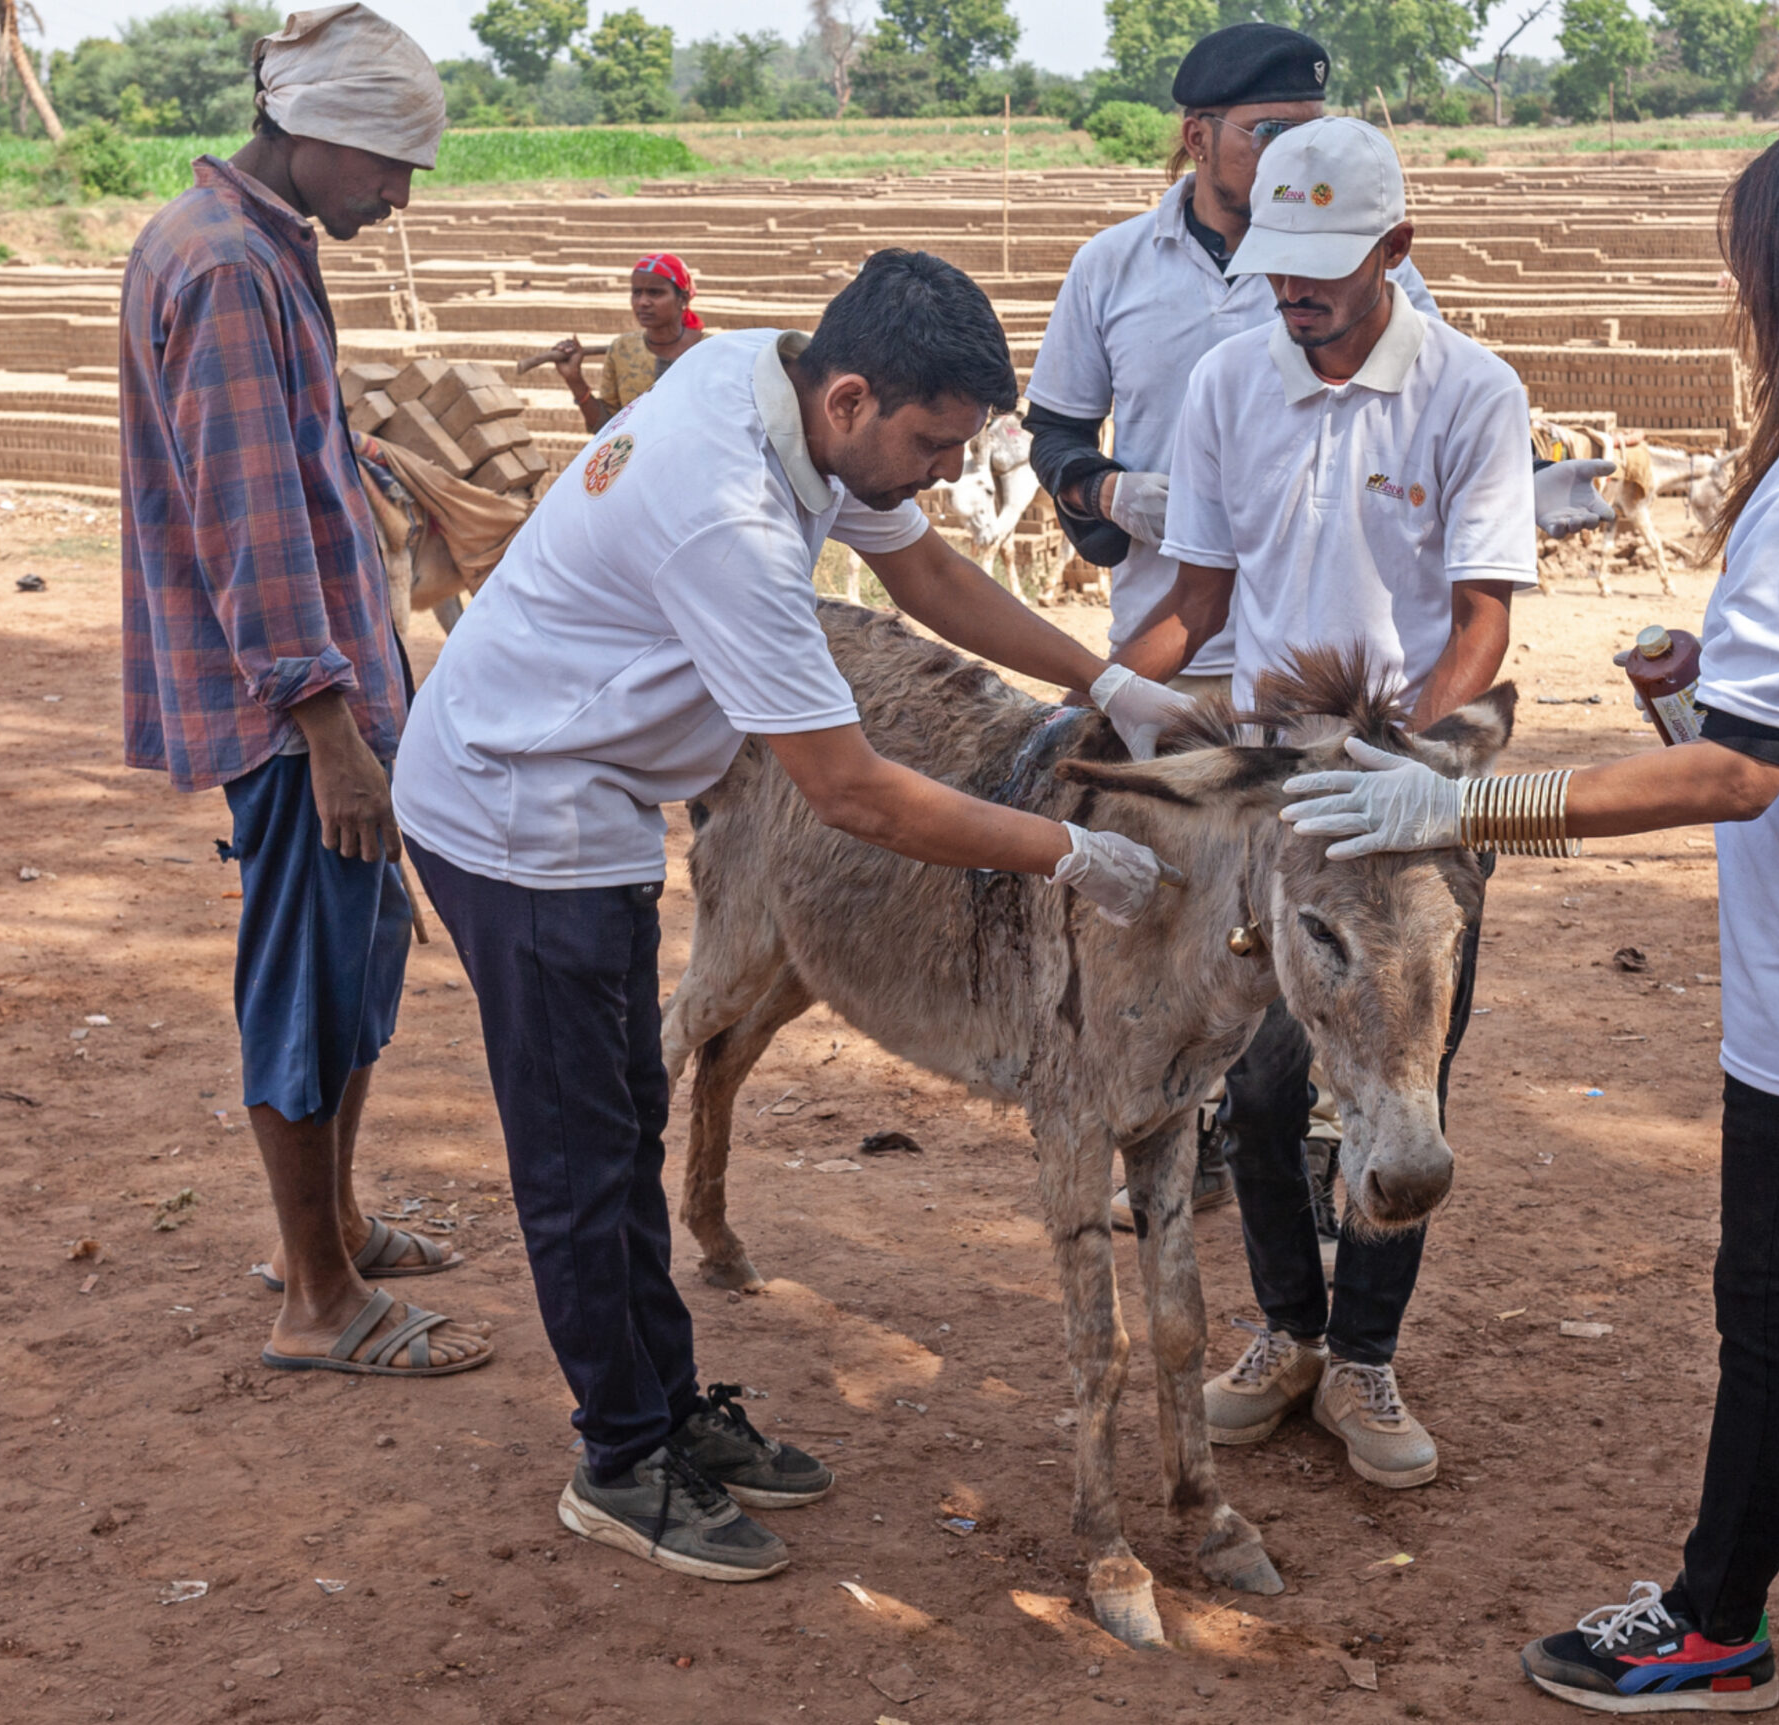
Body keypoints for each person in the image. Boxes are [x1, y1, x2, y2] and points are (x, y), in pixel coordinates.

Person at [1282, 112, 1779, 1720]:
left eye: (1751, 273)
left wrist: (1464, 806)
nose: (1741, 305)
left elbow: (1742, 776)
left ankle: (1715, 1623)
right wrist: (1708, 686)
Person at [391, 249, 1194, 1585]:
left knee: (624, 1121)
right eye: (931, 444)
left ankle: (664, 1405)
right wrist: (1071, 852)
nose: (945, 470)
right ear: (853, 400)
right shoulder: (729, 516)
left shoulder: (771, 379)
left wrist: (1104, 680)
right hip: (518, 812)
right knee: (583, 1154)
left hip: (587, 789)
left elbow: (924, 572)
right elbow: (852, 791)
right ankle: (621, 1458)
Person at [1111, 116, 1538, 1492]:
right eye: (1277, 262)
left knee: (1403, 1071)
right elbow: (1199, 602)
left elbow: (1481, 618)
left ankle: (1365, 1354)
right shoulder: (1228, 381)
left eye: (1323, 265)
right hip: (1271, 796)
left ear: (1395, 249)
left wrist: (1410, 764)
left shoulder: (1472, 391)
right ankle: (1288, 1332)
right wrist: (1101, 697)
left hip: (1414, 788)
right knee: (1255, 1077)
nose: (1292, 289)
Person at [118, 2, 491, 1381]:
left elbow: (282, 473)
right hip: (297, 713)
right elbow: (251, 519)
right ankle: (317, 1300)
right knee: (308, 976)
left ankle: (329, 1229)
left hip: (320, 688)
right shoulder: (228, 269)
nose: (398, 197)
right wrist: (329, 727)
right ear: (318, 130)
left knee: (351, 957)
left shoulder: (245, 243)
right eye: (390, 166)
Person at [1023, 22, 1439, 1225]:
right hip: (1177, 652)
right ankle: (1185, 1132)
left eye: (1312, 132)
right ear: (1199, 137)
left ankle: (1308, 1143)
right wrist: (1109, 494)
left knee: (1314, 911)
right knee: (1170, 913)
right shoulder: (1111, 268)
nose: (1295, 153)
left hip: (1324, 664)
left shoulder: (1372, 272)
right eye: (1268, 133)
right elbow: (1054, 434)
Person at [551, 251, 704, 433]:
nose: (642, 302)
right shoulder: (622, 349)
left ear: (683, 299)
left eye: (655, 293)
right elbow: (607, 427)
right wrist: (574, 380)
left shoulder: (710, 350)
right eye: (636, 292)